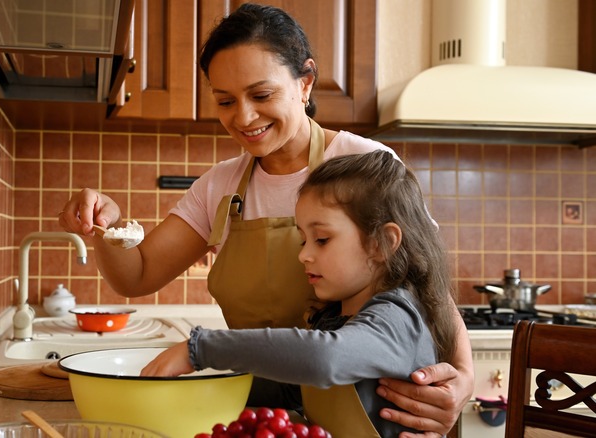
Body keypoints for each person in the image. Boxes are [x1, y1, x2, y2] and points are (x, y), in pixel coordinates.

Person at [58, 4, 473, 435]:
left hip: (364, 416)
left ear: (305, 82)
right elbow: (137, 276)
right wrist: (106, 228)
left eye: (261, 95)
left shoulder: (363, 164)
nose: (243, 117)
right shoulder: (219, 186)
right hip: (263, 415)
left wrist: (462, 376)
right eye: (225, 101)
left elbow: (428, 284)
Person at [141, 150, 460, 437]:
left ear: (382, 244)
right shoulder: (337, 316)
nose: (304, 255)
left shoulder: (398, 316)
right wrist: (199, 389)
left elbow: (324, 358)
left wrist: (200, 349)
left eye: (321, 239)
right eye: (302, 240)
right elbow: (293, 390)